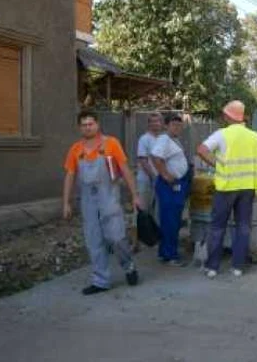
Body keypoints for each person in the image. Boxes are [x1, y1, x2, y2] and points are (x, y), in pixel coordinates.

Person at [62, 111, 142, 295]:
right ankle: (101, 280)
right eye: (84, 125)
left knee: (116, 237)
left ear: (97, 125)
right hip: (88, 200)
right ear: (79, 127)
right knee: (93, 240)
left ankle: (128, 266)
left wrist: (134, 195)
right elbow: (70, 175)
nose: (87, 127)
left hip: (109, 197)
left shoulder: (111, 144)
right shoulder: (75, 149)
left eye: (90, 124)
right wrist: (66, 202)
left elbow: (125, 169)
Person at [196, 101, 257, 278]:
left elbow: (201, 150)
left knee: (218, 227)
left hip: (226, 187)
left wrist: (216, 164)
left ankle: (212, 268)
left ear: (228, 117)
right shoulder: (254, 136)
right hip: (247, 187)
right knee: (243, 226)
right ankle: (238, 267)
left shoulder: (222, 134)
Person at [151, 114, 192, 266]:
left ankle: (165, 252)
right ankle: (171, 255)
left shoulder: (173, 140)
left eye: (179, 125)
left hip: (178, 184)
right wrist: (165, 174)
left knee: (172, 219)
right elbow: (156, 157)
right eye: (174, 125)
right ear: (166, 126)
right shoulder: (163, 139)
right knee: (171, 220)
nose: (177, 128)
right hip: (170, 185)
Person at [134, 113, 163, 248]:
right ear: (149, 124)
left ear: (161, 123)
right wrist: (153, 177)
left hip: (160, 180)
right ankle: (137, 242)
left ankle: (152, 238)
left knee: (156, 211)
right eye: (153, 122)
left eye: (158, 122)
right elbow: (143, 160)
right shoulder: (144, 139)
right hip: (146, 180)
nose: (155, 124)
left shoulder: (163, 139)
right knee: (142, 210)